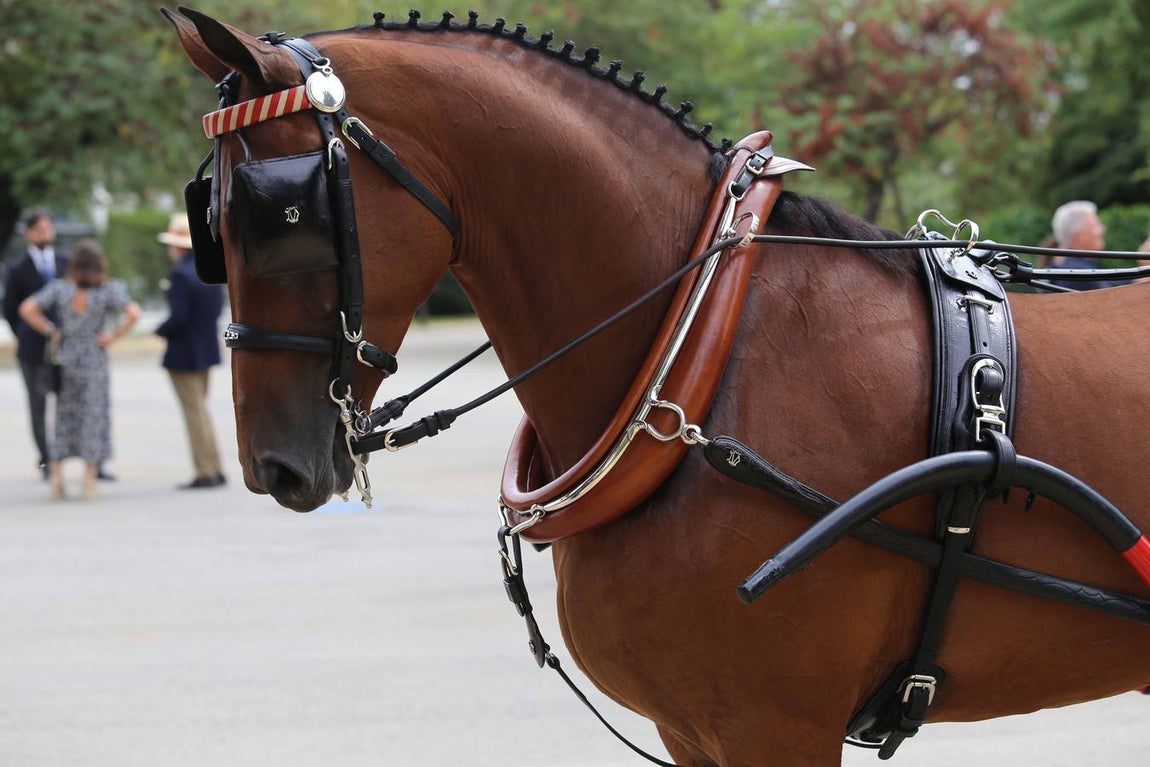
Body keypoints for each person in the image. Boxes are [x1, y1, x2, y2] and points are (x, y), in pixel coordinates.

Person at [18, 240, 141, 500]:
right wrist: (113, 336)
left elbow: (27, 308)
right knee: (93, 418)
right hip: (94, 361)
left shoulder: (61, 289)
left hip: (67, 358)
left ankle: (56, 477)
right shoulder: (107, 291)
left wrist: (52, 331)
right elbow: (134, 312)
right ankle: (88, 479)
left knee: (64, 418)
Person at [154, 213, 227, 489]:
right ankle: (214, 466)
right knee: (201, 411)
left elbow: (178, 318)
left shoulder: (181, 275)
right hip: (205, 348)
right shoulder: (207, 271)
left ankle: (205, 470)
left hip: (184, 352)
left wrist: (160, 330)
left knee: (194, 413)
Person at [3, 209, 70, 478]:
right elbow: (10, 309)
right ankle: (46, 459)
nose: (45, 234)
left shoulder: (66, 262)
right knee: (38, 405)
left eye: (48, 228)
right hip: (33, 348)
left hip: (66, 347)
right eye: (39, 229)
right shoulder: (17, 268)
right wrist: (29, 335)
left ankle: (86, 459)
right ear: (29, 233)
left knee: (72, 402)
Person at [1046, 200, 1122, 291]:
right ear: (1077, 236)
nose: (1102, 230)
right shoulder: (1079, 273)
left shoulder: (1075, 267)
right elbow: (1116, 299)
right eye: (1095, 225)